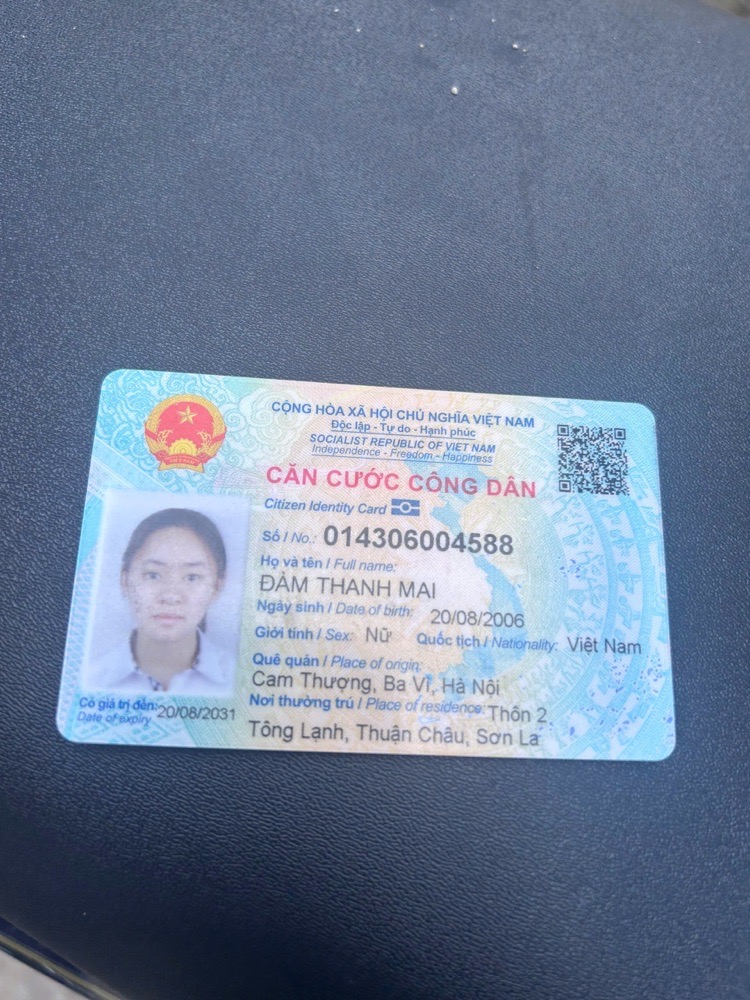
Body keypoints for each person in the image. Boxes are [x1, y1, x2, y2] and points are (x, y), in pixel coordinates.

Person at [90, 508, 235, 695]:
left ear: (216, 587)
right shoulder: (90, 679)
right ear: (124, 580)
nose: (170, 596)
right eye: (153, 575)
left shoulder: (241, 682)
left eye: (192, 577)